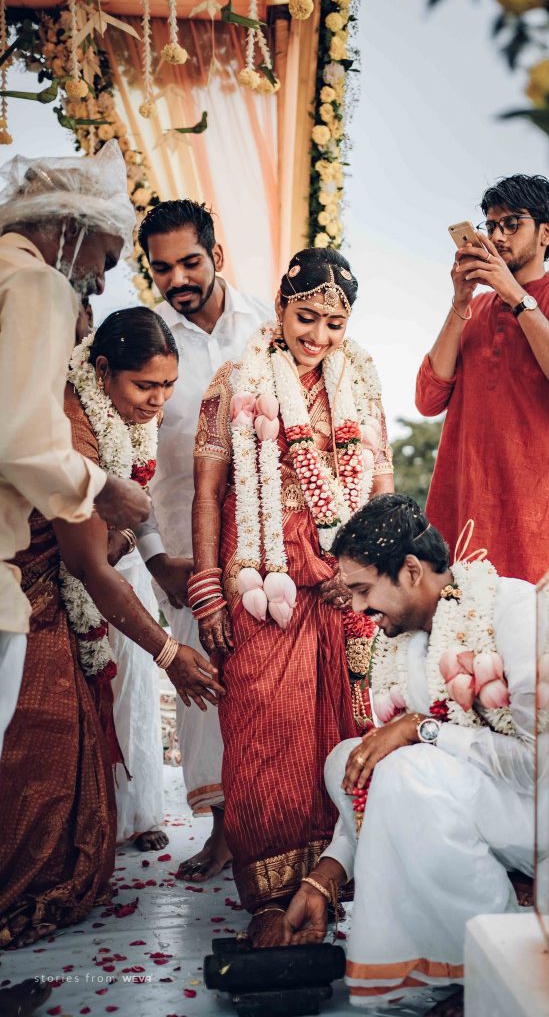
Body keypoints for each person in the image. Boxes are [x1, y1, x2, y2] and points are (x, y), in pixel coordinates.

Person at [278, 495, 549, 1016]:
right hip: (514, 809)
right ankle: (489, 915)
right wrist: (327, 876)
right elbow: (377, 782)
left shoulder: (518, 611)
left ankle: (497, 959)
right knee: (351, 759)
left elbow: (545, 763)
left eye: (364, 590)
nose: (359, 609)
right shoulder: (408, 644)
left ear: (411, 571)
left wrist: (424, 730)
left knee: (411, 770)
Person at [0, 309, 224, 948]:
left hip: (66, 575)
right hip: (31, 589)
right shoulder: (77, 425)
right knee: (41, 740)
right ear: (101, 371)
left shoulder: (118, 413)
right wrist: (169, 651)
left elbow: (132, 496)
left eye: (167, 386)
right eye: (145, 388)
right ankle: (26, 882)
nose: (159, 402)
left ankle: (70, 864)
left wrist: (155, 558)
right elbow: (87, 564)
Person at [191, 247, 394, 943]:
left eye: (334, 324)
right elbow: (206, 493)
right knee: (260, 732)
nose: (319, 336)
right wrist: (209, 594)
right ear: (279, 306)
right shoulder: (233, 380)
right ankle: (268, 901)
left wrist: (371, 572)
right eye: (306, 317)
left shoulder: (359, 381)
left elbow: (380, 489)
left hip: (340, 583)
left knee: (337, 730)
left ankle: (324, 884)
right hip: (261, 581)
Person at [136, 200, 272, 880]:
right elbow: (125, 458)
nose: (178, 279)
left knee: (273, 683)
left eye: (190, 261)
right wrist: (155, 556)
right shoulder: (147, 339)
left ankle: (279, 823)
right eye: (162, 269)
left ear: (216, 254)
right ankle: (222, 831)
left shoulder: (269, 325)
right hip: (185, 551)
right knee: (204, 692)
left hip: (268, 545)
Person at [0, 141, 150, 759]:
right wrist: (105, 489)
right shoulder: (37, 283)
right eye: (107, 256)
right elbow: (19, 438)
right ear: (69, 224)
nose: (102, 279)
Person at [416, 174, 549, 585]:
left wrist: (518, 298)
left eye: (512, 224)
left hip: (544, 530)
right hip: (463, 527)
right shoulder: (474, 310)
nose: (497, 236)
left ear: (547, 231)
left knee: (547, 649)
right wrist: (460, 302)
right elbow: (427, 400)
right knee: (461, 650)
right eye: (491, 226)